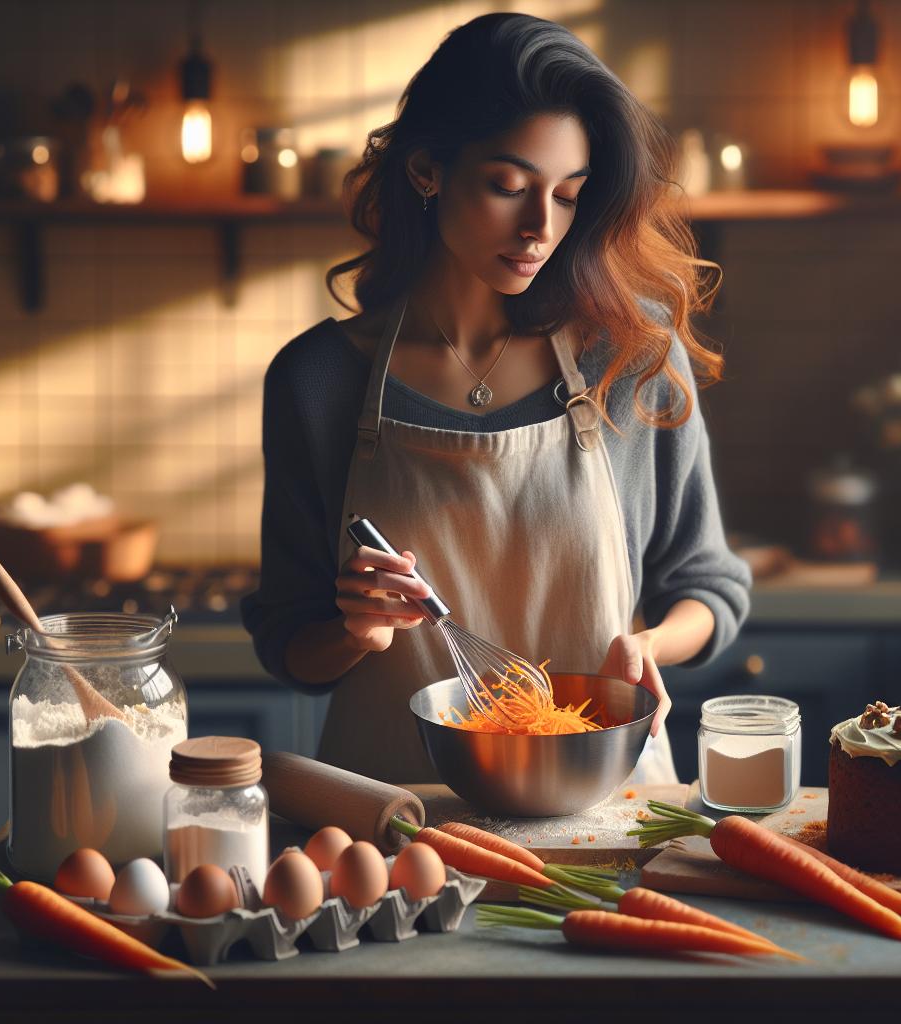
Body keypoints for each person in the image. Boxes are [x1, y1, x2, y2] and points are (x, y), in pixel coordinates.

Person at [240, 13, 751, 785]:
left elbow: (710, 586)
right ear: (426, 170)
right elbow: (291, 643)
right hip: (396, 825)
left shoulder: (632, 357)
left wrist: (650, 645)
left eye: (569, 196)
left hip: (603, 818)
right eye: (508, 186)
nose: (539, 227)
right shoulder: (317, 381)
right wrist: (357, 632)